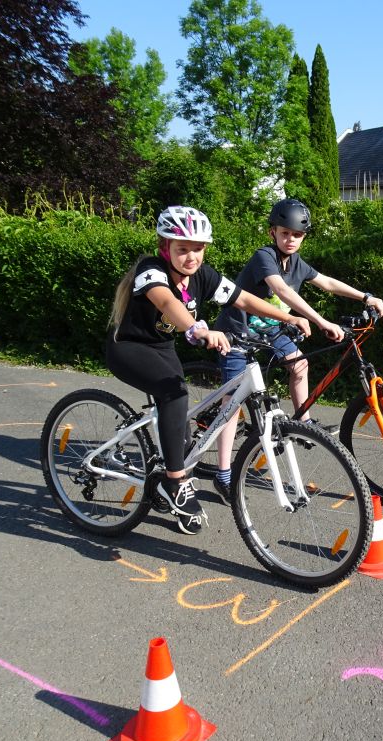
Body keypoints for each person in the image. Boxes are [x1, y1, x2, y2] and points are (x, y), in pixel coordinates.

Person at [106, 205, 311, 534]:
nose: (192, 257)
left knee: (181, 425)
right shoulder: (151, 270)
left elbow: (243, 299)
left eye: (198, 249)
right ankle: (175, 483)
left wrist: (288, 317)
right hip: (129, 347)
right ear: (165, 247)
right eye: (182, 249)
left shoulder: (203, 275)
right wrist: (196, 328)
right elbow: (167, 302)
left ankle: (166, 479)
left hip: (162, 348)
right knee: (175, 396)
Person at [211, 198, 383, 501]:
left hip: (269, 330)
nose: (291, 240)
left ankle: (302, 423)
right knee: (233, 403)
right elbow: (280, 290)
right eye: (285, 233)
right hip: (236, 332)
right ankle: (223, 474)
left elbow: (327, 283)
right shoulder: (264, 256)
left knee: (299, 364)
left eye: (297, 235)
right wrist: (320, 321)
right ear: (273, 232)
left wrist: (365, 297)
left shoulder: (296, 263)